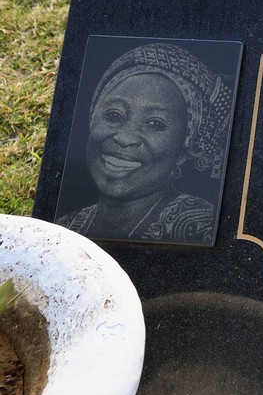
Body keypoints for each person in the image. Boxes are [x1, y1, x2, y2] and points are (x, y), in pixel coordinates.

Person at [58, 42, 233, 245]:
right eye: (114, 115)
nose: (125, 138)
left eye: (155, 124)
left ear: (184, 149)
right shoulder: (66, 227)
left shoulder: (200, 227)